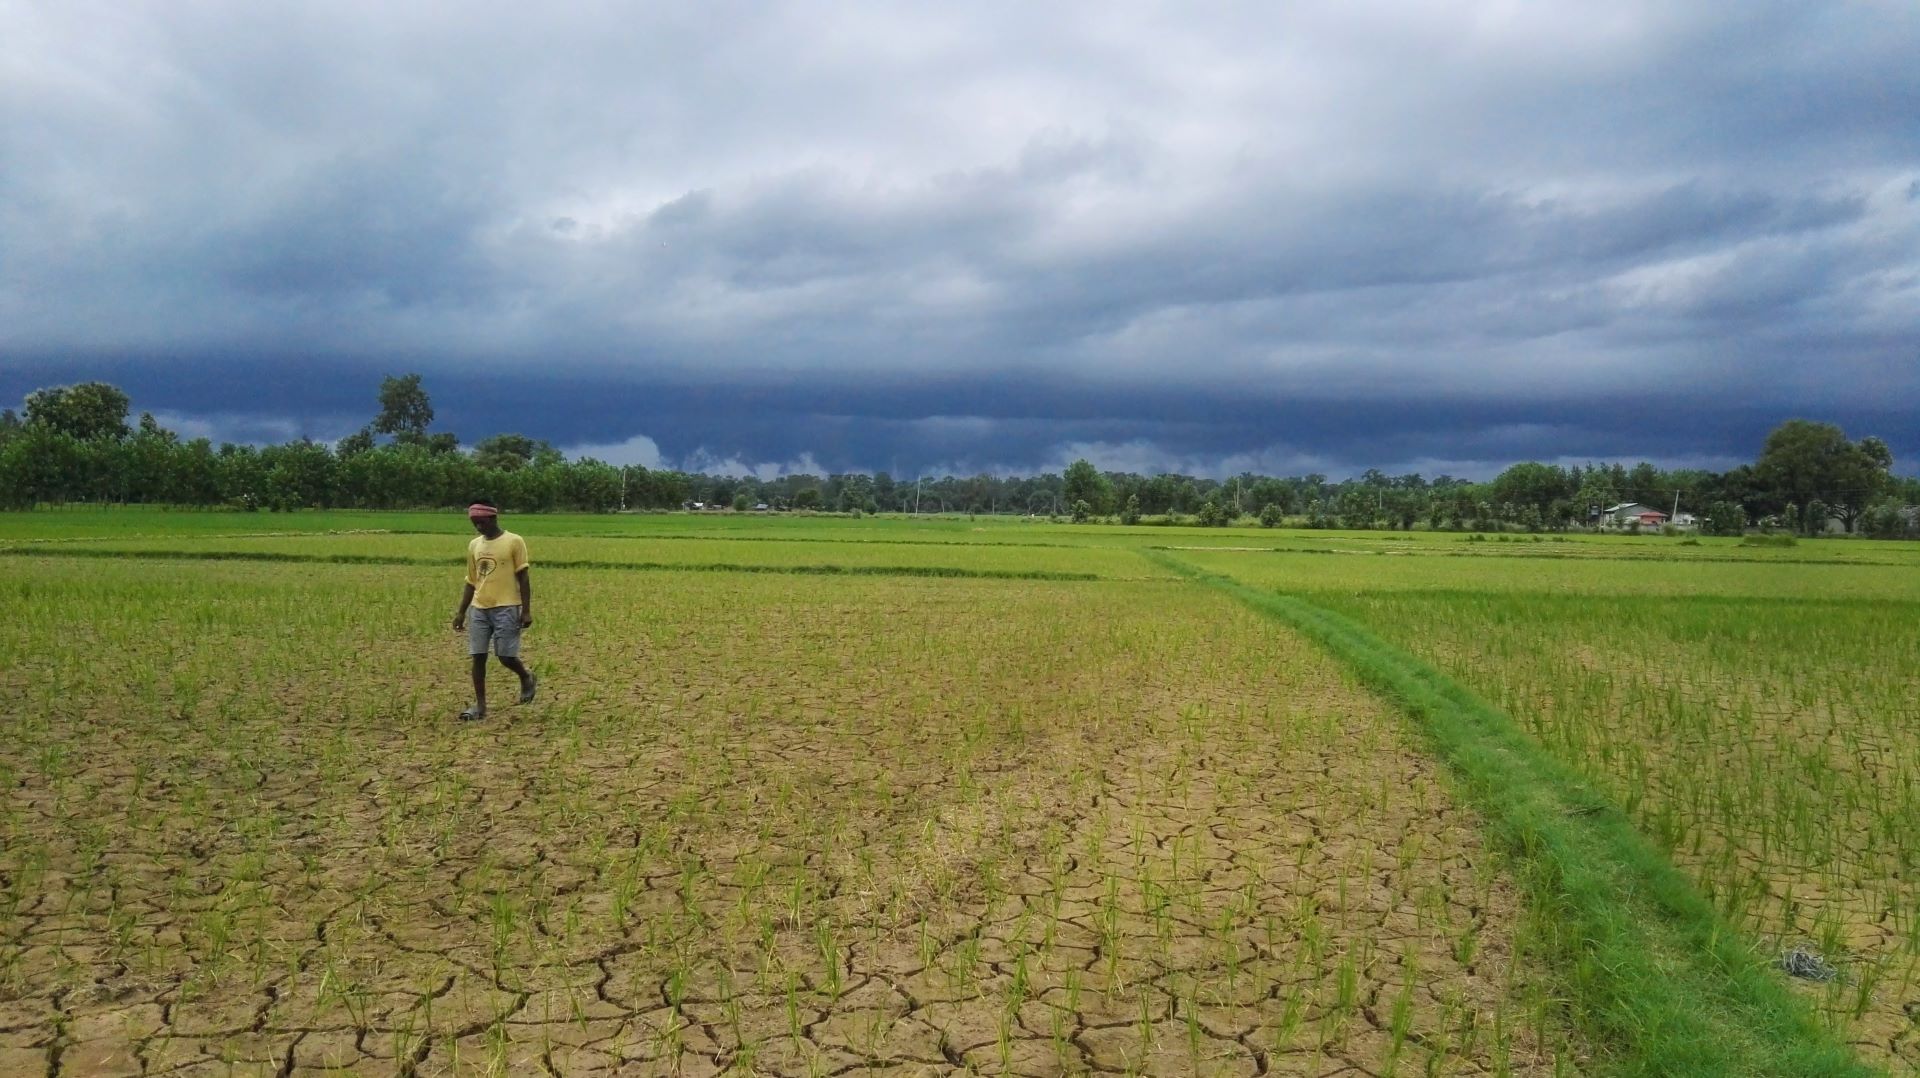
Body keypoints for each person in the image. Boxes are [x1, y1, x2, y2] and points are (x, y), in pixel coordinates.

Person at [451, 503, 536, 720]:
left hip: (506, 607)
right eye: (474, 523)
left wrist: (526, 610)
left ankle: (526, 676)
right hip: (479, 608)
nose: (478, 526)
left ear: (494, 518)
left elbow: (523, 577)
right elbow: (471, 580)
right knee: (478, 656)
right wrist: (461, 611)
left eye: (482, 522)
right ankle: (480, 707)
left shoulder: (514, 541)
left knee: (505, 656)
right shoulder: (474, 545)